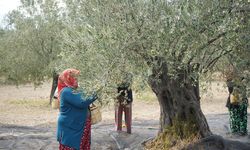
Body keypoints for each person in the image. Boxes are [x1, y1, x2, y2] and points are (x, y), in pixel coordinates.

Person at [56, 68, 98, 150]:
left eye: (76, 78)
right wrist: (96, 93)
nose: (76, 80)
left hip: (78, 125)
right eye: (73, 78)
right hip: (71, 127)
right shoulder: (66, 91)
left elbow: (85, 95)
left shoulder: (74, 89)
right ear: (67, 79)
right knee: (72, 146)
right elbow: (82, 102)